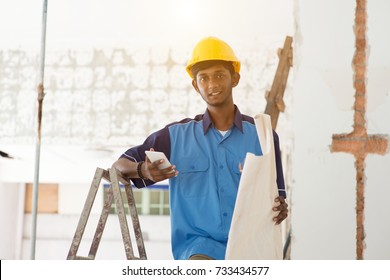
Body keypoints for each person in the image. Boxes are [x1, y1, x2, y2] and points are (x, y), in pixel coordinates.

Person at [112, 36, 288, 260]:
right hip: (198, 248)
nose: (212, 84)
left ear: (235, 79)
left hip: (250, 248)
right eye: (204, 78)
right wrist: (143, 171)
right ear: (196, 86)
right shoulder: (175, 137)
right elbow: (118, 168)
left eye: (220, 75)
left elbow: (279, 200)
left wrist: (280, 207)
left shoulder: (264, 136)